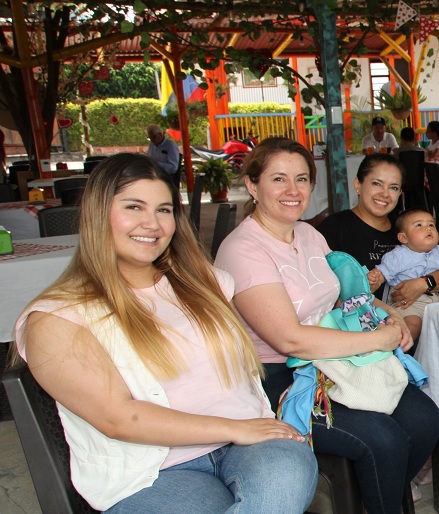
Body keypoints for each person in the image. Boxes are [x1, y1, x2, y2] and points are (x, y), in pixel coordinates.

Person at [10, 153, 316, 513]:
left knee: (285, 476)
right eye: (134, 207)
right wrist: (233, 428)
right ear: (98, 214)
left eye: (164, 210)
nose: (152, 224)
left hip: (250, 443)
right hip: (153, 472)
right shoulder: (59, 316)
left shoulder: (205, 283)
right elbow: (118, 418)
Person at [213, 138, 439, 514]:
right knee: (383, 440)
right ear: (252, 185)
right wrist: (379, 339)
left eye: (302, 179)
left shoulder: (308, 234)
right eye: (279, 179)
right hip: (280, 378)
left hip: (336, 361)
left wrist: (389, 313)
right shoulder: (243, 249)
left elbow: (347, 294)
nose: (292, 190)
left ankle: (375, 499)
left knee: (425, 420)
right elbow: (290, 339)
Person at [317, 154, 439, 301]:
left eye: (393, 187)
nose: (385, 194)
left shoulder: (406, 227)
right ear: (358, 184)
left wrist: (424, 283)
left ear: (400, 193)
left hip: (417, 308)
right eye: (377, 183)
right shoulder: (334, 228)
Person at [371, 209, 439, 341]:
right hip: (406, 303)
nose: (428, 228)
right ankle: (398, 349)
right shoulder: (398, 256)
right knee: (413, 324)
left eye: (431, 225)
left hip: (434, 298)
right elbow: (383, 273)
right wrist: (375, 278)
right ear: (404, 238)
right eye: (419, 225)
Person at [146, 124, 180, 190]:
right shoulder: (152, 145)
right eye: (150, 138)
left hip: (167, 180)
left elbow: (173, 168)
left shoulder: (171, 146)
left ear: (160, 135)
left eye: (153, 138)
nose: (152, 141)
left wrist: (156, 164)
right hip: (154, 178)